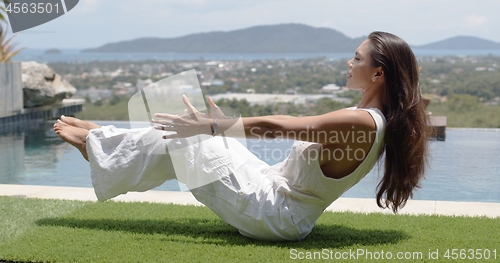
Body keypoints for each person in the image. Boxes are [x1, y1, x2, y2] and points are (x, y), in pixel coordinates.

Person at [54, 31, 430, 241]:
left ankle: (98, 145)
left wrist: (212, 127)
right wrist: (216, 128)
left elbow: (283, 126)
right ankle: (105, 140)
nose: (350, 63)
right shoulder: (370, 118)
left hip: (274, 214)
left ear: (378, 74)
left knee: (191, 137)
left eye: (357, 58)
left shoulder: (362, 121)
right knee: (197, 135)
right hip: (276, 197)